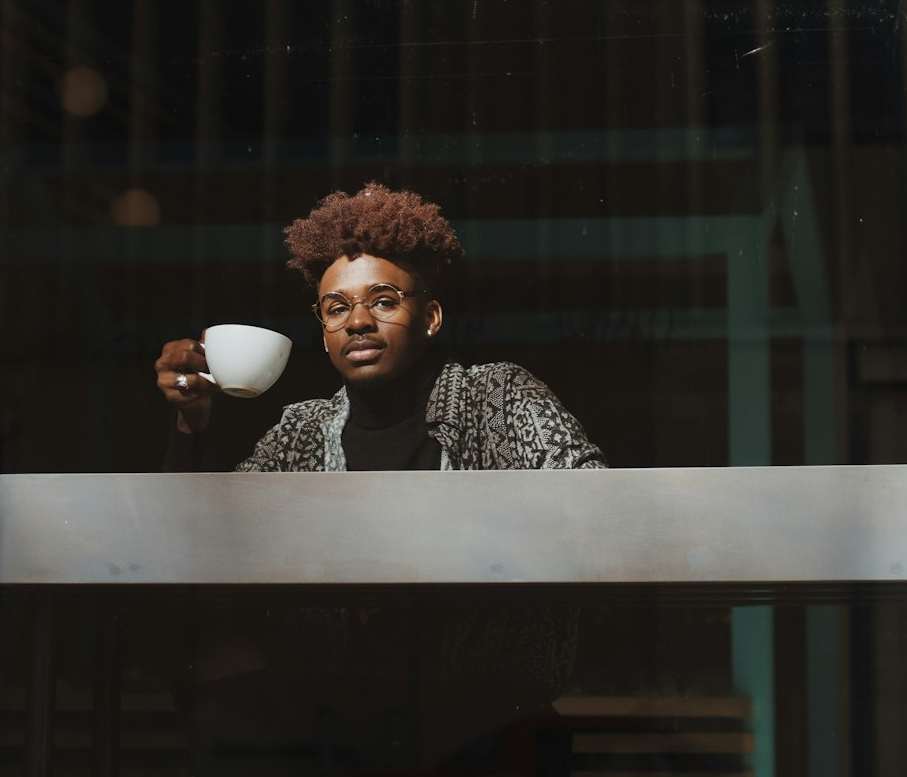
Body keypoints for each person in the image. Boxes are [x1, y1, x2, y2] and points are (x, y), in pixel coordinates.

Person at [154, 182, 605, 774]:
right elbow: (204, 539)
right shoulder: (304, 430)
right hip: (338, 723)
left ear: (431, 315)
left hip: (479, 713)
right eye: (337, 308)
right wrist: (192, 424)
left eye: (384, 300)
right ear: (322, 330)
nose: (359, 321)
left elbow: (594, 506)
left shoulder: (498, 396)